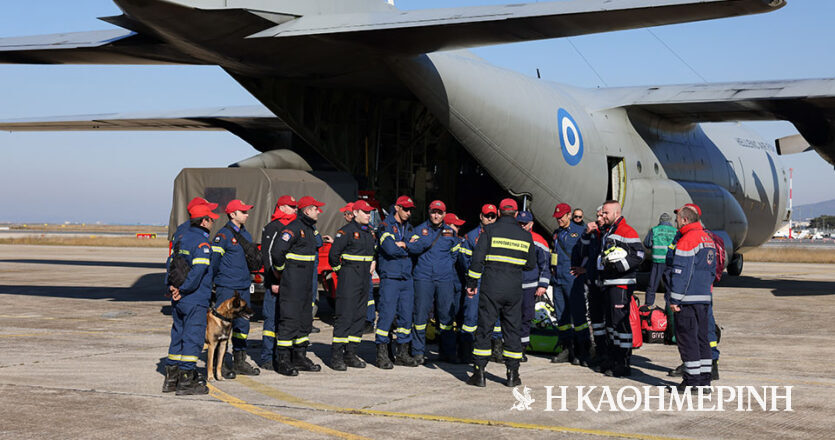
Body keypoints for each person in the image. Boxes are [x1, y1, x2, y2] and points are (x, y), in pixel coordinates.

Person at [465, 198, 536, 387]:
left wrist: (472, 282)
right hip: (514, 289)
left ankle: (479, 374)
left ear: (498, 212)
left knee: (485, 329)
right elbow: (530, 265)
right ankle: (513, 375)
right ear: (515, 213)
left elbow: (477, 260)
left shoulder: (489, 231)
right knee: (512, 330)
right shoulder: (525, 236)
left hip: (491, 287)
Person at [163, 203, 218, 395]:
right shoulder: (201, 242)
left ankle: (171, 379)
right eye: (211, 219)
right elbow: (198, 271)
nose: (212, 222)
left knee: (177, 335)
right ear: (204, 221)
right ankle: (186, 381)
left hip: (178, 297)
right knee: (193, 338)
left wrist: (171, 287)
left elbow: (170, 263)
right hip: (194, 297)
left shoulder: (181, 238)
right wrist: (184, 289)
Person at [270, 196, 325, 376]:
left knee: (304, 320)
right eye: (316, 208)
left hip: (306, 282)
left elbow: (320, 244)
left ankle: (299, 356)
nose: (319, 211)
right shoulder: (293, 228)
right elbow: (277, 252)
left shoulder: (309, 229)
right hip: (292, 282)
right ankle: (284, 360)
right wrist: (281, 271)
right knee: (290, 320)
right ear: (307, 210)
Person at [668, 204, 716, 392]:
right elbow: (712, 270)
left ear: (685, 219)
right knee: (702, 338)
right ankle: (705, 381)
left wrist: (675, 300)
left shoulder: (687, 240)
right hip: (704, 298)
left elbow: (681, 273)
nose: (676, 222)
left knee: (688, 340)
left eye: (678, 219)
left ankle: (691, 382)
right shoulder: (707, 238)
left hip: (687, 300)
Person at [210, 199, 261, 376]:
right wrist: (213, 283)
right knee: (222, 326)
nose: (247, 214)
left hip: (243, 286)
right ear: (232, 214)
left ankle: (239, 361)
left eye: (247, 211)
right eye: (243, 211)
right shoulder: (222, 236)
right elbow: (214, 263)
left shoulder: (245, 235)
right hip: (227, 287)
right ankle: (220, 364)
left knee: (243, 325)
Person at [596, 200, 645, 377]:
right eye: (602, 213)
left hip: (621, 284)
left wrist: (620, 266)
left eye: (606, 213)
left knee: (620, 324)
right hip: (609, 284)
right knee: (611, 324)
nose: (603, 216)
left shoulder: (626, 231)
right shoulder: (609, 231)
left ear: (616, 213)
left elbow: (639, 254)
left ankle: (623, 363)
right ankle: (614, 357)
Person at [328, 200, 377, 371]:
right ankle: (336, 356)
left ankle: (351, 354)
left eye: (369, 212)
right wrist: (341, 271)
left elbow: (373, 252)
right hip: (349, 278)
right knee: (345, 317)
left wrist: (374, 262)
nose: (368, 215)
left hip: (364, 278)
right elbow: (333, 255)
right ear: (355, 213)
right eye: (365, 212)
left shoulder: (370, 232)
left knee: (359, 317)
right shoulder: (346, 231)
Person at [411, 200, 462, 364]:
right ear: (429, 212)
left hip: (444, 279)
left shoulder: (450, 232)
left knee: (446, 316)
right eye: (433, 212)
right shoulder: (419, 230)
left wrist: (445, 267)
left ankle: (447, 352)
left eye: (439, 213)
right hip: (424, 278)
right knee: (420, 315)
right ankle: (418, 351)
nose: (436, 215)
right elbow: (412, 251)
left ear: (444, 215)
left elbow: (454, 254)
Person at [374, 196, 420, 369]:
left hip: (406, 279)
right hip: (391, 278)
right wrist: (405, 246)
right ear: (397, 208)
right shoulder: (385, 226)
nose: (409, 213)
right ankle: (381, 354)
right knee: (386, 315)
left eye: (410, 210)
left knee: (406, 317)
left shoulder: (410, 228)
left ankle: (402, 353)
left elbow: (418, 247)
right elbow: (390, 249)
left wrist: (404, 245)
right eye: (406, 209)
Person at [458, 204, 503, 363]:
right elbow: (464, 260)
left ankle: (496, 349)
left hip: (494, 282)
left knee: (495, 316)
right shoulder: (471, 236)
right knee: (470, 315)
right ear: (481, 216)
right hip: (476, 282)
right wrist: (472, 279)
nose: (490, 219)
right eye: (487, 216)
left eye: (493, 216)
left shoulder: (500, 235)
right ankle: (466, 351)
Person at [259, 195, 297, 369]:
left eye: (296, 206)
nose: (295, 209)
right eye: (291, 206)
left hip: (290, 283)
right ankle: (267, 356)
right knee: (271, 320)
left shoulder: (295, 227)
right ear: (281, 208)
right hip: (276, 282)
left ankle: (284, 355)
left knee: (287, 319)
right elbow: (267, 256)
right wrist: (274, 279)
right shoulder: (273, 227)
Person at [550, 203, 590, 365]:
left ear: (569, 215)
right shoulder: (556, 233)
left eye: (561, 217)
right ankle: (567, 349)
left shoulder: (581, 232)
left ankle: (584, 351)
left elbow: (590, 253)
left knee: (579, 316)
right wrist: (552, 269)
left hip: (573, 281)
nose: (559, 220)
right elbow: (554, 253)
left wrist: (584, 268)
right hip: (558, 280)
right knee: (562, 318)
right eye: (557, 218)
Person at [572, 206, 610, 370]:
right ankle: (598, 352)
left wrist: (587, 269)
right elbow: (580, 253)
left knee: (608, 322)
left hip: (607, 285)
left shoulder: (611, 234)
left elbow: (607, 261)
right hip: (593, 284)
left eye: (601, 215)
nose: (598, 219)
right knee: (596, 322)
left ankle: (610, 355)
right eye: (597, 216)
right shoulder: (594, 234)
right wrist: (586, 234)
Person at [516, 210, 550, 362]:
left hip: (529, 285)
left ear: (531, 224)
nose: (522, 226)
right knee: (510, 317)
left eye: (525, 223)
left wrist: (542, 284)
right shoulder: (511, 238)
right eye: (520, 223)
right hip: (511, 284)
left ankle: (522, 348)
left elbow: (544, 265)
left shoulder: (539, 241)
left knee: (526, 317)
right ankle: (510, 347)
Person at [341, 202, 376, 334]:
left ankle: (368, 321)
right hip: (354, 271)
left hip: (364, 270)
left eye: (346, 214)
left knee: (368, 296)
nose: (345, 216)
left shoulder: (367, 230)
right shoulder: (348, 229)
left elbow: (372, 248)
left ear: (353, 214)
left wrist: (373, 262)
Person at [643, 213, 676, 307]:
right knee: (669, 286)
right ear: (669, 221)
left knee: (652, 286)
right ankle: (670, 310)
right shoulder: (675, 231)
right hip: (670, 262)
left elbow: (647, 243)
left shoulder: (654, 230)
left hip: (657, 261)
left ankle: (648, 308)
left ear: (660, 220)